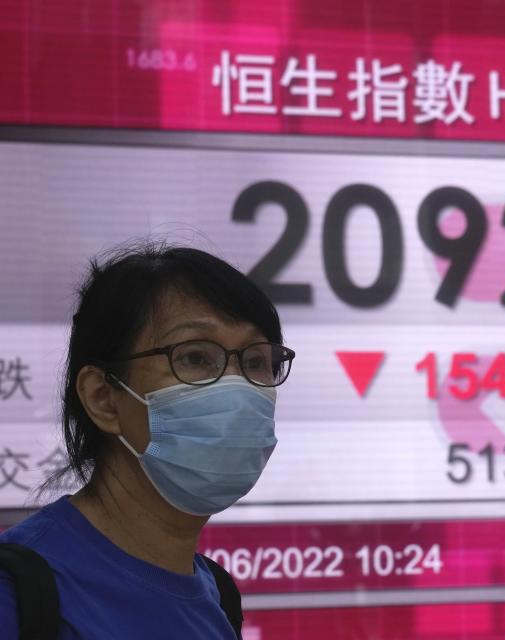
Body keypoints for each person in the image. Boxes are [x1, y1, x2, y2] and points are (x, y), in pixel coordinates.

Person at [0, 243, 295, 638]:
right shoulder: (17, 596)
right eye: (194, 357)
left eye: (256, 361)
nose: (237, 386)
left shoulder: (218, 596)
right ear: (103, 398)